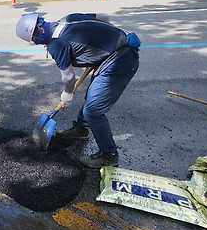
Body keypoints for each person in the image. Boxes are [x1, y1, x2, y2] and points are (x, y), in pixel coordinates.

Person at [16, 12, 140, 168]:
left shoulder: (56, 44)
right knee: (91, 98)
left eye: (35, 41)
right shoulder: (68, 18)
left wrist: (66, 95)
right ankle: (81, 129)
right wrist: (99, 46)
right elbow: (103, 18)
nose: (38, 44)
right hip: (113, 54)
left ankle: (109, 155)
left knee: (93, 111)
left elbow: (68, 78)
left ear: (37, 34)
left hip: (120, 62)